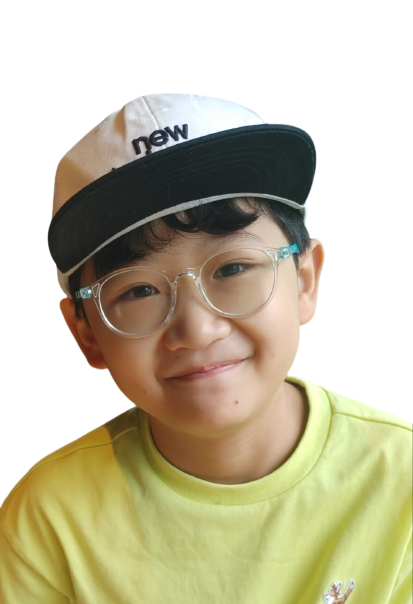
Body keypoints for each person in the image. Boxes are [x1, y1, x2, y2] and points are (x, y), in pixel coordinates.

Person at [1, 93, 411, 603]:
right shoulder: (47, 519)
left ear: (305, 279)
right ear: (85, 333)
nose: (196, 330)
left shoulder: (404, 480)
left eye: (233, 268)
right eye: (139, 291)